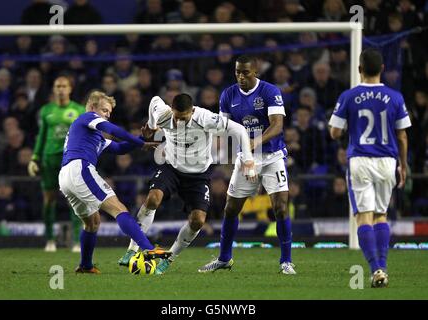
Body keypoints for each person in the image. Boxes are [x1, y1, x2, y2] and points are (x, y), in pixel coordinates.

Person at [118, 93, 256, 274]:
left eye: (183, 118)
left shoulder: (205, 118)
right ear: (172, 111)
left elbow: (238, 130)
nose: (178, 122)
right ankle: (131, 250)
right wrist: (152, 125)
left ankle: (169, 258)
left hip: (198, 176)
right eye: (176, 117)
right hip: (172, 168)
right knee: (152, 199)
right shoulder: (164, 115)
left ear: (192, 111)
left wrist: (248, 160)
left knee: (198, 220)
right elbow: (154, 100)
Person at [198, 55, 296, 275]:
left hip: (272, 156)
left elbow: (278, 126)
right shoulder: (228, 95)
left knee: (280, 207)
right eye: (237, 72)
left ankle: (286, 262)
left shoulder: (270, 92)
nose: (241, 77)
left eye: (245, 73)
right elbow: (222, 127)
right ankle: (224, 258)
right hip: (246, 158)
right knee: (231, 208)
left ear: (256, 72)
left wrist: (255, 141)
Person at [58, 91, 171, 274]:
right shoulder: (88, 117)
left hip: (66, 176)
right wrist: (139, 142)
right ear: (93, 107)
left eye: (109, 113)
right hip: (80, 168)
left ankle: (85, 266)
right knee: (119, 209)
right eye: (105, 110)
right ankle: (147, 248)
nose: (107, 116)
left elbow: (119, 148)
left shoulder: (94, 135)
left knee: (92, 222)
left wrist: (142, 138)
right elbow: (114, 130)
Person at [328, 48, 411, 288]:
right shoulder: (395, 97)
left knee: (363, 216)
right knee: (381, 214)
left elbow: (334, 132)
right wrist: (402, 165)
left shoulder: (349, 96)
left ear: (359, 69)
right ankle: (382, 267)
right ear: (382, 69)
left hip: (360, 160)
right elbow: (402, 136)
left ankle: (376, 269)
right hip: (388, 162)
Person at [28, 76, 85, 252]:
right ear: (54, 89)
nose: (60, 89)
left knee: (73, 199)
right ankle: (50, 240)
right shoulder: (46, 110)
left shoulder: (79, 110)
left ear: (70, 89)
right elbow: (41, 135)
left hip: (70, 158)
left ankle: (76, 241)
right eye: (57, 86)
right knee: (49, 199)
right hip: (49, 158)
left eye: (64, 86)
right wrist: (34, 157)